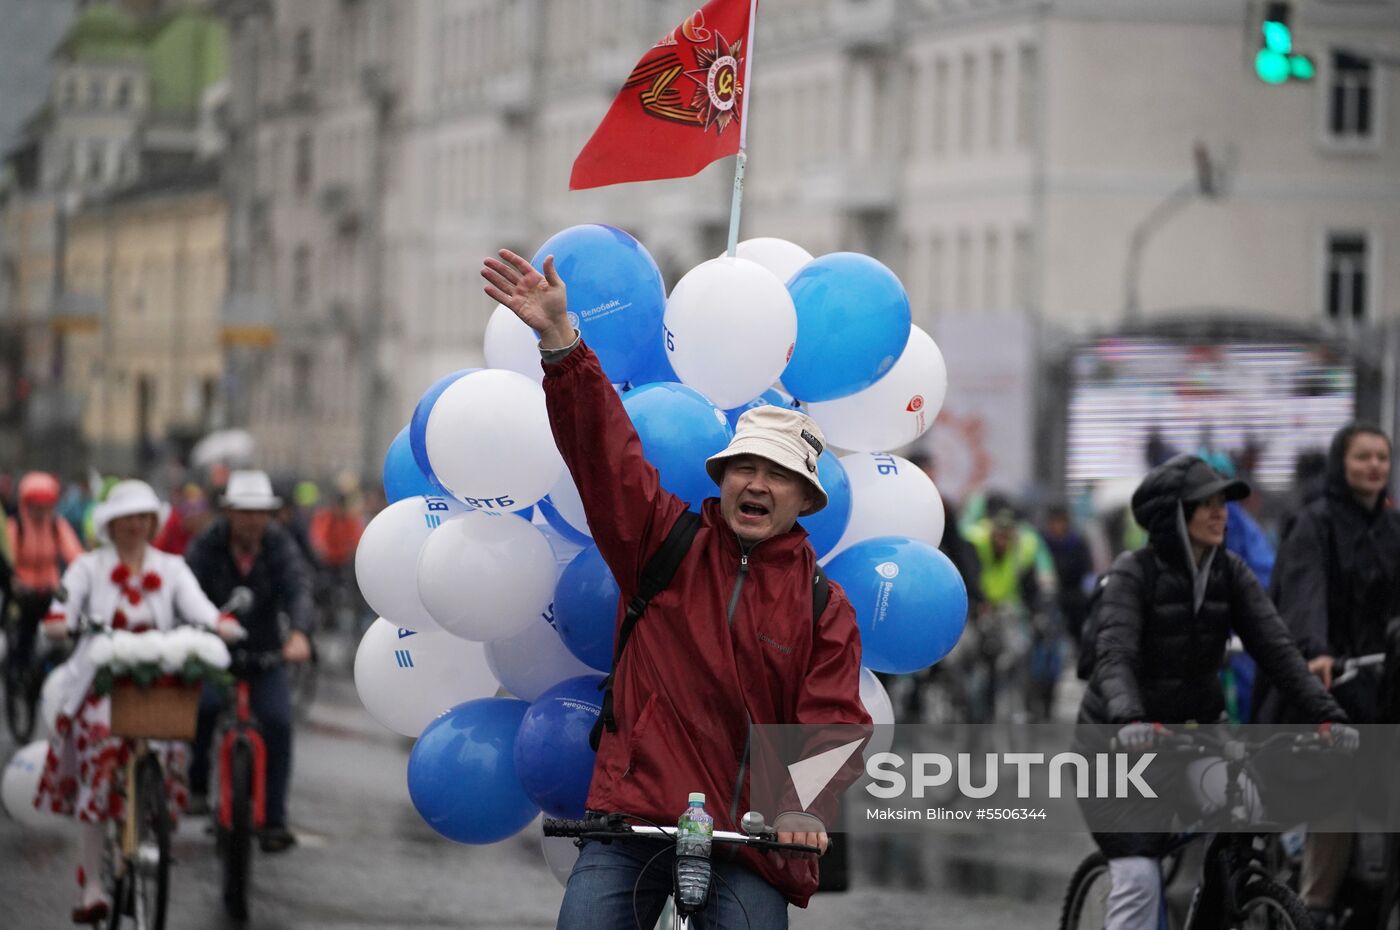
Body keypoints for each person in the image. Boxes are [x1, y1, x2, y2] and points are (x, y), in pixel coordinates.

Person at [481, 248, 870, 928]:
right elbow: (605, 454)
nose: (755, 483)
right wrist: (561, 343)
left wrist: (799, 808)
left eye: (776, 474)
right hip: (634, 819)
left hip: (751, 842)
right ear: (720, 479)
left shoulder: (824, 609)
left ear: (804, 499)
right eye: (742, 467)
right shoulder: (664, 541)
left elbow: (833, 723)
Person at [1076, 454, 1353, 930]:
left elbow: (1280, 651)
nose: (1220, 512)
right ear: (1173, 516)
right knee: (1139, 876)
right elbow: (1113, 656)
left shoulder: (1231, 572)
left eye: (1223, 502)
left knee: (1240, 828)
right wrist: (1129, 721)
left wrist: (1328, 716)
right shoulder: (1132, 573)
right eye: (1204, 504)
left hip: (1194, 738)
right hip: (1117, 749)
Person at [32, 479, 243, 924]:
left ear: (151, 522)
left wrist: (220, 624)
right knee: (99, 763)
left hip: (157, 683)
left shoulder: (171, 567)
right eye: (125, 517)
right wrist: (59, 623)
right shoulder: (89, 567)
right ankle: (91, 885)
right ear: (111, 524)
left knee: (168, 751)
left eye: (142, 517)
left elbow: (199, 607)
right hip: (101, 683)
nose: (134, 525)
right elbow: (61, 612)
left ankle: (149, 830)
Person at [1255, 422, 1400, 919]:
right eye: (1363, 456)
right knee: (1338, 789)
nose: (1374, 466)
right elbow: (1304, 592)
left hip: (1382, 687)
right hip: (1324, 685)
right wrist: (1316, 650)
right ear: (1342, 463)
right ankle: (1312, 905)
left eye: (1382, 457)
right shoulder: (1313, 524)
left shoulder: (1393, 528)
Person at [184, 470, 316, 853]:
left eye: (260, 512)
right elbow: (186, 587)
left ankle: (274, 820)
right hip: (214, 652)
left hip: (265, 653)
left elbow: (298, 587)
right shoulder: (207, 544)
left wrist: (300, 634)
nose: (252, 520)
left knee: (277, 722)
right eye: (244, 512)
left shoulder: (279, 544)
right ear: (228, 512)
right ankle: (195, 786)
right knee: (204, 707)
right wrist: (197, 630)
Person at [5, 472, 85, 696]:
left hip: (50, 588)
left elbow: (75, 555)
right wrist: (15, 583)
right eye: (35, 505)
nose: (40, 511)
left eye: (45, 505)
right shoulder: (15, 527)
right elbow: (8, 560)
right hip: (23, 592)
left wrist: (85, 576)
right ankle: (18, 673)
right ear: (25, 504)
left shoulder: (56, 526)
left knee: (67, 627)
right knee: (24, 632)